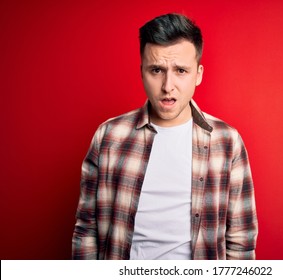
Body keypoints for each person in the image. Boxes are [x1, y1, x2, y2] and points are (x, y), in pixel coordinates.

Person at [72, 13, 258, 260]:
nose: (167, 85)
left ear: (198, 74)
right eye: (156, 70)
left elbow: (241, 242)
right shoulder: (109, 137)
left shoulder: (227, 142)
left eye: (181, 70)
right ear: (142, 72)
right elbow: (86, 231)